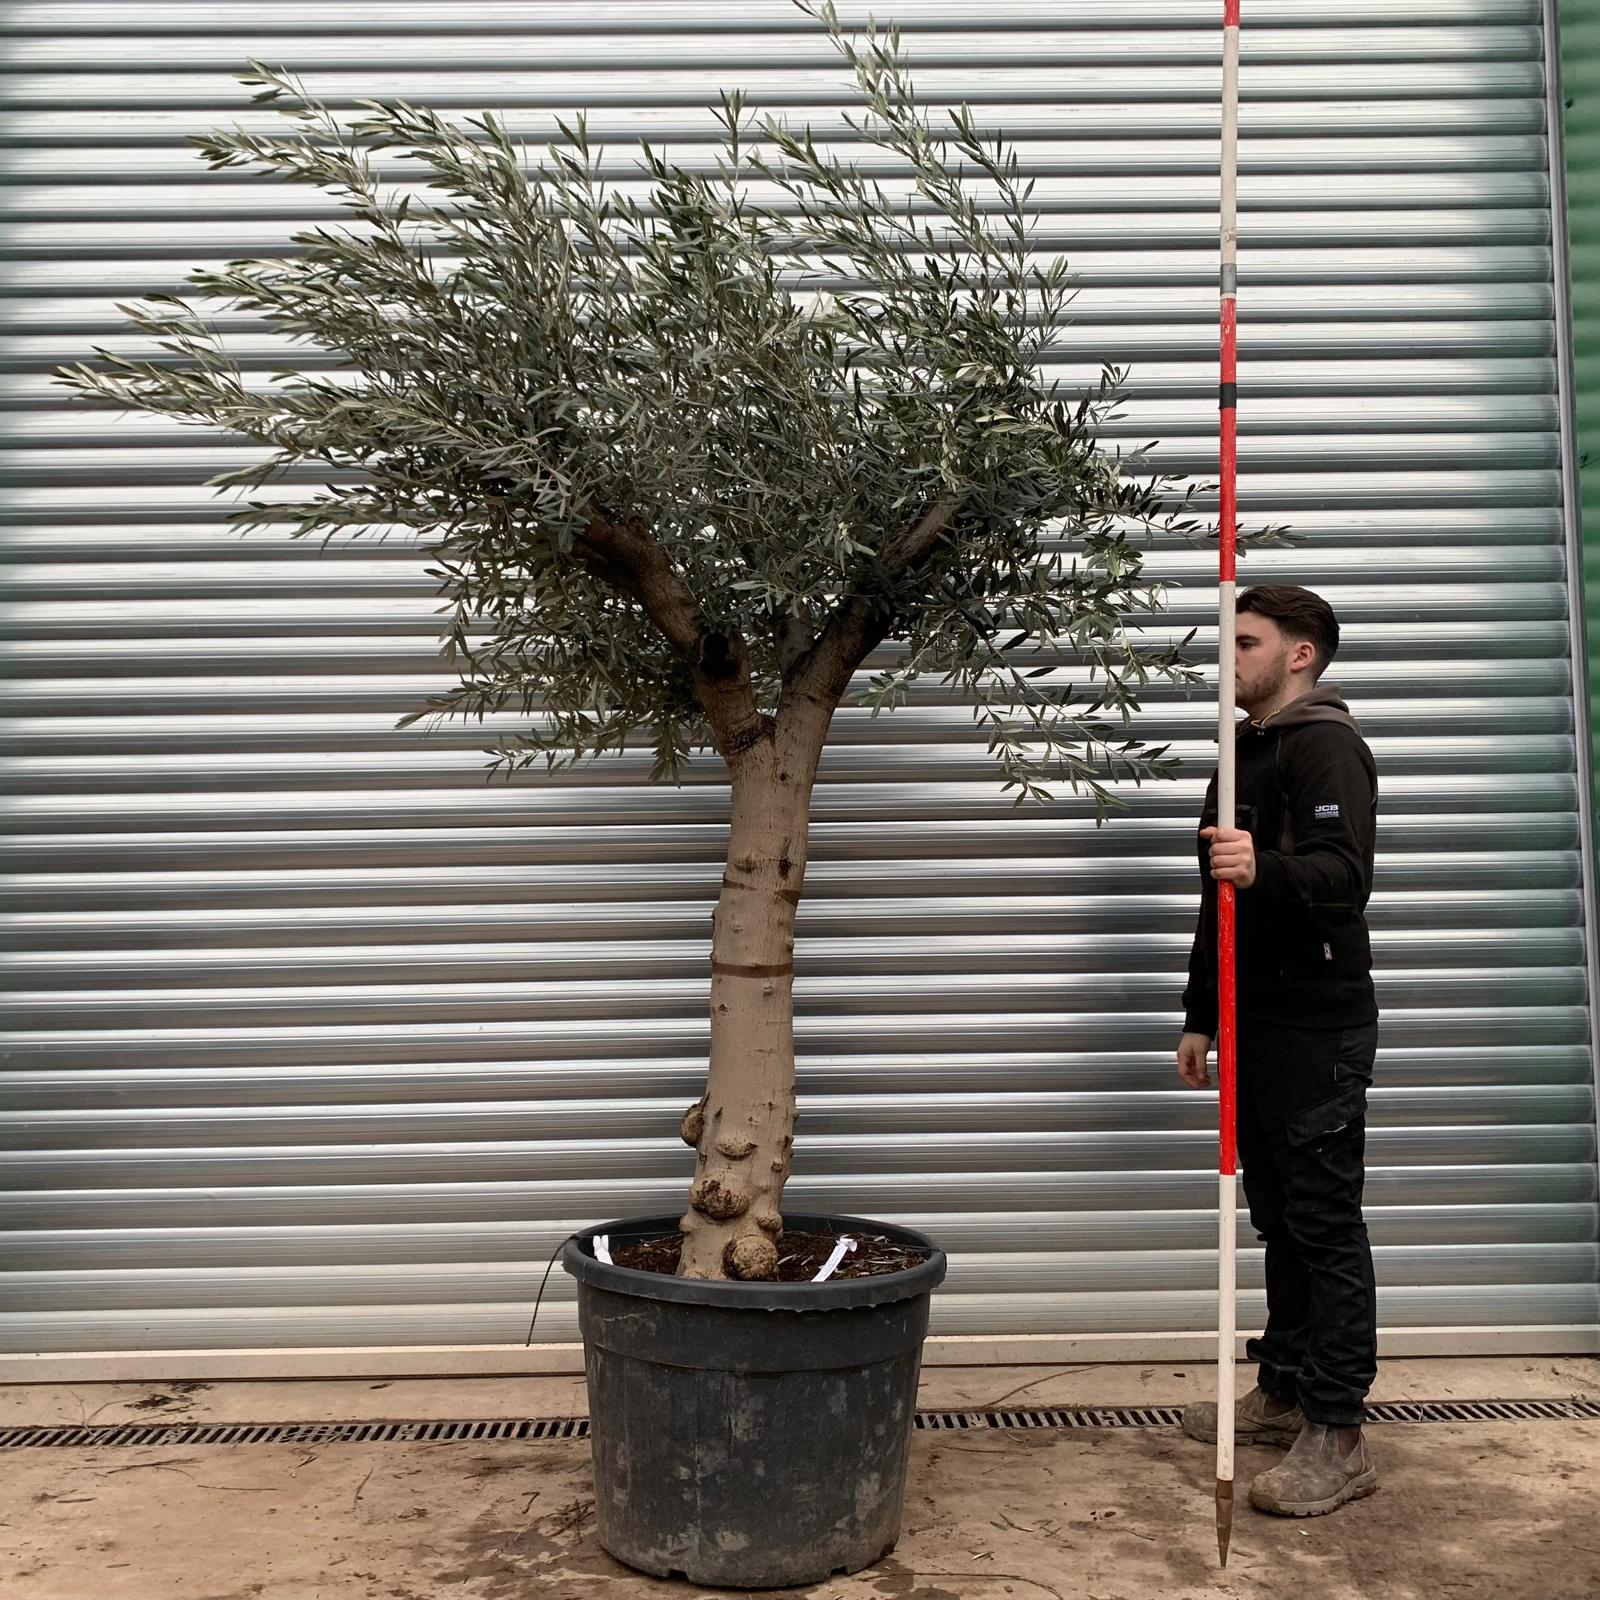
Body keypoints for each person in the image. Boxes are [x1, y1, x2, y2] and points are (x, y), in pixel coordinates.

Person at [1177, 584, 1381, 1517]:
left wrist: (1266, 867)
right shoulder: (1238, 754)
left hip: (1316, 1025)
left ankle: (1338, 1433)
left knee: (1325, 1222)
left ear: (1299, 654)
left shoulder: (1325, 745)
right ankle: (1285, 1386)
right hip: (1252, 1022)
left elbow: (1344, 880)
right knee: (1277, 1218)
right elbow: (1215, 904)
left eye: (1244, 642)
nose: (1227, 658)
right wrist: (1201, 1015)